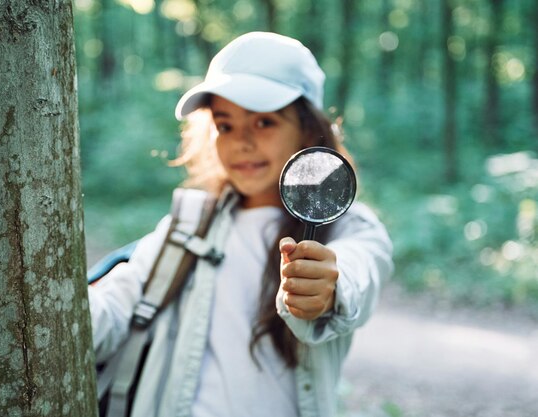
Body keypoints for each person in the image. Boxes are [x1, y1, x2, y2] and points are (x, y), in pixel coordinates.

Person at [88, 31, 393, 417]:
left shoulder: (349, 228)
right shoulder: (187, 226)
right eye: (225, 125)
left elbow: (358, 272)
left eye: (264, 122)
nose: (241, 142)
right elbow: (113, 309)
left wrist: (328, 288)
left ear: (307, 128)